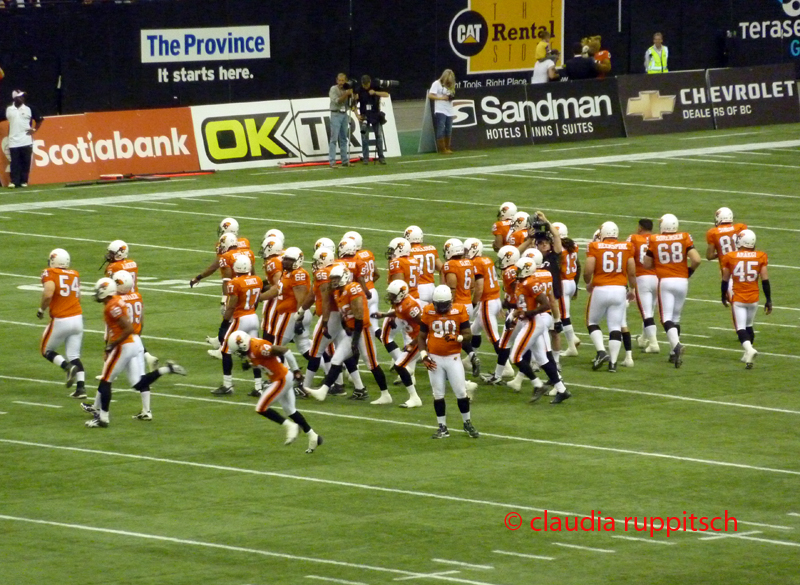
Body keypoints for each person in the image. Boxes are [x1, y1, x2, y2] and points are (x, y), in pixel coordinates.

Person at [82, 278, 186, 428]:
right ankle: (167, 369)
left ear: (105, 291)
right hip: (130, 344)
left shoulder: (112, 306)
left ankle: (103, 418)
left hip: (123, 345)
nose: (96, 294)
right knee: (137, 383)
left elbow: (128, 328)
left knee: (106, 380)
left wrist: (112, 345)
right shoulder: (116, 300)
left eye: (98, 291)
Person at [228, 330, 322, 453]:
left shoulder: (258, 348)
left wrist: (296, 370)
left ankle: (291, 426)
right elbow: (264, 361)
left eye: (238, 350)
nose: (239, 354)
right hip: (281, 377)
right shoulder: (252, 348)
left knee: (261, 408)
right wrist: (251, 365)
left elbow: (284, 350)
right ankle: (313, 436)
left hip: (281, 379)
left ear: (243, 345)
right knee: (290, 410)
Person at [418, 285, 479, 439]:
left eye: (444, 305)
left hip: (453, 358)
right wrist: (424, 356)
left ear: (450, 301)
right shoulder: (428, 311)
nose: (441, 309)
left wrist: (456, 338)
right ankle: (442, 427)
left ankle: (467, 423)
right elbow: (421, 336)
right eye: (438, 305)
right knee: (438, 394)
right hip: (434, 358)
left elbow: (468, 335)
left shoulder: (459, 310)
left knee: (461, 392)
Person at [643, 214, 701, 368]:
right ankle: (673, 353)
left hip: (666, 281)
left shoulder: (655, 239)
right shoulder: (684, 237)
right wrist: (689, 272)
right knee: (676, 318)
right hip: (682, 281)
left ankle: (676, 346)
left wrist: (660, 263)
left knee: (665, 318)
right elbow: (696, 259)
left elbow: (647, 264)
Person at [583, 222, 637, 372]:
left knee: (592, 321)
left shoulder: (595, 246)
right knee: (615, 326)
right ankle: (613, 363)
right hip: (619, 290)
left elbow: (588, 270)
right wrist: (632, 289)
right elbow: (632, 272)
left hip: (601, 288)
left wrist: (588, 283)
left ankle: (601, 352)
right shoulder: (627, 246)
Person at [720, 230, 771, 368]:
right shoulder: (760, 256)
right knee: (749, 326)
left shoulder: (731, 256)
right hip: (754, 297)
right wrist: (769, 300)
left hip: (739, 297)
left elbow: (725, 279)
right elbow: (765, 280)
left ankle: (749, 350)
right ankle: (748, 358)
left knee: (740, 328)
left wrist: (723, 295)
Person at [38, 248, 84, 397]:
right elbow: (79, 296)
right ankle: (81, 388)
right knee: (74, 355)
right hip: (77, 318)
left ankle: (66, 367)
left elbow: (48, 293)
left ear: (53, 260)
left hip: (61, 319)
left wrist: (41, 309)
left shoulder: (50, 272)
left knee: (46, 350)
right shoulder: (75, 274)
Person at [627, 219, 660, 353]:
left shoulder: (634, 238)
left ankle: (653, 343)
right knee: (649, 311)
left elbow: (627, 257)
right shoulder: (657, 238)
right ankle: (643, 339)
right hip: (657, 278)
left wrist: (631, 286)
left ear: (640, 228)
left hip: (642, 278)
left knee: (646, 313)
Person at [3, 90, 43, 188]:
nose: (22, 98)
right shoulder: (9, 109)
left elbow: (39, 119)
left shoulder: (29, 108)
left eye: (23, 97)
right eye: (20, 97)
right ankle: (14, 181)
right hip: (13, 140)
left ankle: (24, 181)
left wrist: (34, 129)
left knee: (26, 162)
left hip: (26, 140)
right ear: (15, 98)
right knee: (15, 162)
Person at [355, 75, 388, 165]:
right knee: (365, 137)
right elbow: (353, 104)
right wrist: (357, 115)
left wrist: (375, 93)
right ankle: (366, 158)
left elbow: (386, 94)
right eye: (364, 85)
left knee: (379, 136)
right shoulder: (359, 90)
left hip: (375, 115)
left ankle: (381, 157)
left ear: (370, 82)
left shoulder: (375, 86)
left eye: (367, 84)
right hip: (364, 116)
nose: (365, 86)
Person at [428, 69, 456, 154]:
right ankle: (442, 148)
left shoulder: (451, 85)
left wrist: (450, 97)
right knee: (441, 128)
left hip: (449, 109)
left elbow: (452, 94)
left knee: (449, 129)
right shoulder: (436, 84)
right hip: (440, 109)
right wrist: (441, 98)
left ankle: (447, 147)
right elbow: (430, 95)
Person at [329, 73, 353, 168]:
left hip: (344, 114)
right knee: (334, 138)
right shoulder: (333, 89)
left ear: (345, 81)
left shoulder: (347, 89)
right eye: (339, 80)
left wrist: (352, 94)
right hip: (336, 114)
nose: (341, 83)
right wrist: (346, 94)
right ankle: (332, 161)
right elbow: (337, 101)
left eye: (343, 81)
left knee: (343, 138)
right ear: (336, 80)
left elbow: (352, 102)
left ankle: (345, 160)